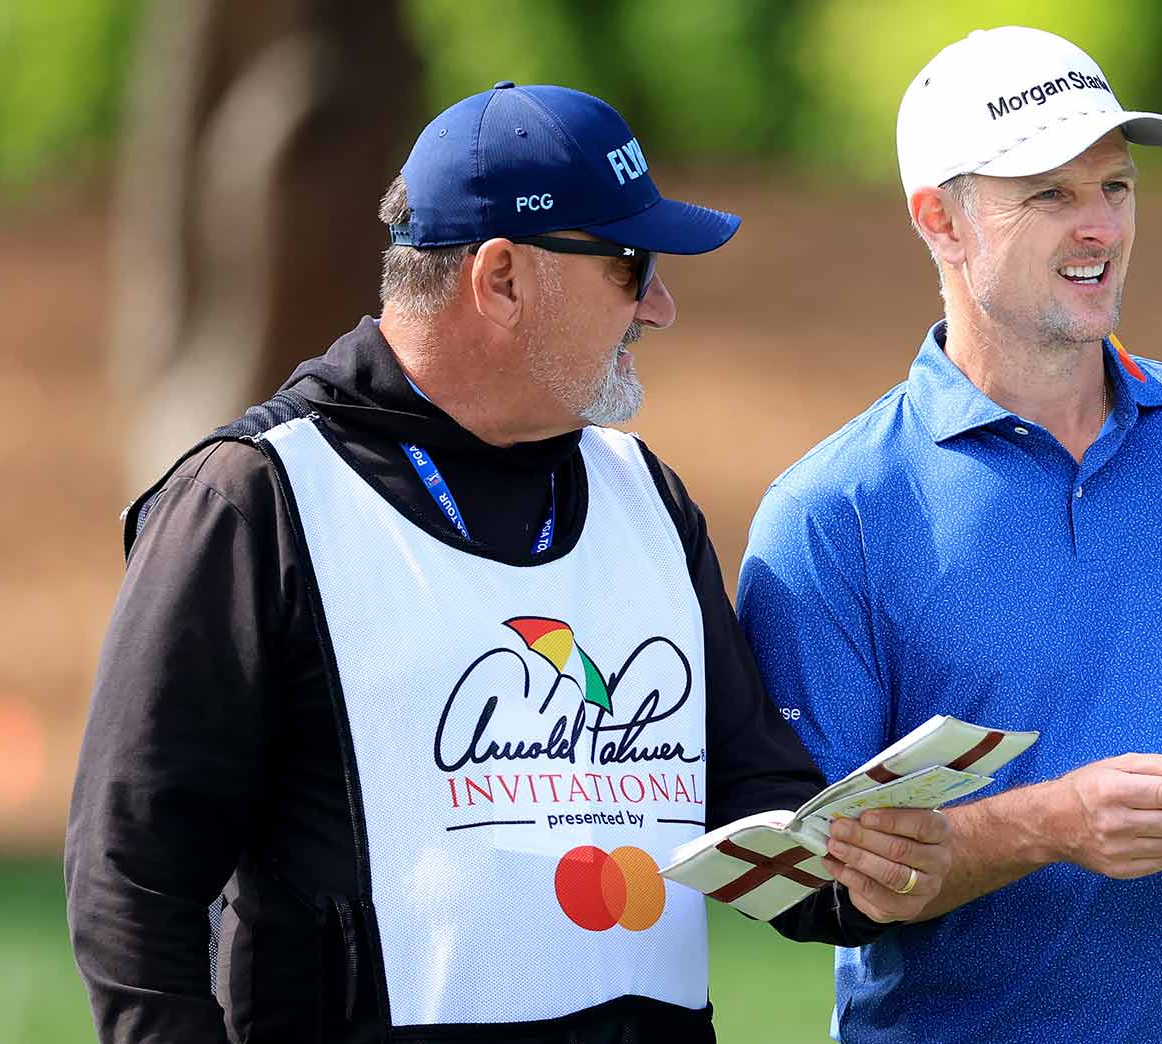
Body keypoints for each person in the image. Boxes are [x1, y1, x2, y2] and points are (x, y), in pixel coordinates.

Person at [66, 82, 951, 1044]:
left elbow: (745, 797)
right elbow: (133, 880)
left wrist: (856, 870)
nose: (659, 303)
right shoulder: (253, 502)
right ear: (501, 278)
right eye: (628, 264)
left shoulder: (642, 492)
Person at [736, 27, 1162, 1044]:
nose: (1098, 227)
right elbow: (806, 879)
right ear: (940, 221)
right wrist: (1050, 825)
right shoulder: (832, 512)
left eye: (1115, 188)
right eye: (1048, 195)